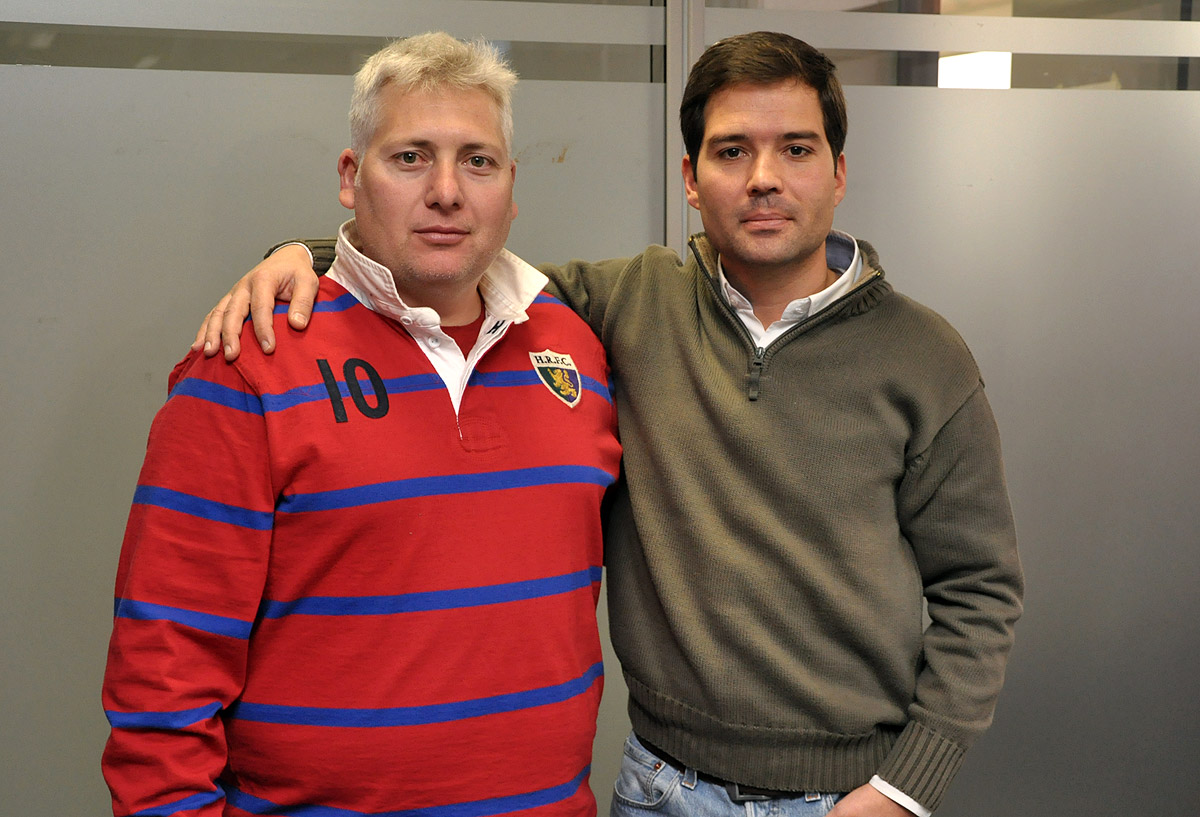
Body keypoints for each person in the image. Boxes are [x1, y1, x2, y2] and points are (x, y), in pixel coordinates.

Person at [197, 31, 1023, 817]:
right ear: (691, 178)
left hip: (847, 795)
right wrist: (302, 255)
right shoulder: (625, 306)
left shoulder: (925, 357)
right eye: (732, 151)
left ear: (839, 173)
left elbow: (980, 590)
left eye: (797, 149)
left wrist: (904, 788)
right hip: (660, 785)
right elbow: (452, 257)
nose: (764, 178)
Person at [102, 33, 621, 817]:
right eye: (410, 157)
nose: (446, 191)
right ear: (350, 177)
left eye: (477, 161)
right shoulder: (249, 362)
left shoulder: (576, 346)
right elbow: (162, 672)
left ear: (512, 186)